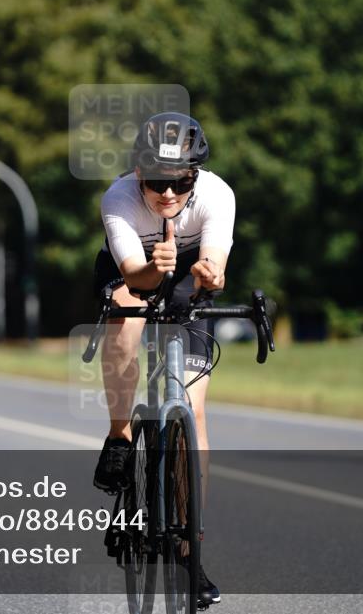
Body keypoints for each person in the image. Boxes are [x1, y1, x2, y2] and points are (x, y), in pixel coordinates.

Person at [92, 112, 232, 608]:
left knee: (193, 414)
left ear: (196, 176)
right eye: (156, 183)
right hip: (134, 273)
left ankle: (190, 551)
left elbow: (215, 266)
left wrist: (207, 273)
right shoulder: (119, 198)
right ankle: (120, 434)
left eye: (181, 183)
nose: (168, 195)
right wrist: (155, 268)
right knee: (126, 318)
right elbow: (133, 274)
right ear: (137, 174)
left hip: (188, 282)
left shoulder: (218, 196)